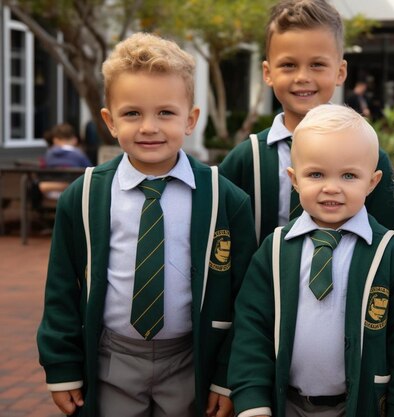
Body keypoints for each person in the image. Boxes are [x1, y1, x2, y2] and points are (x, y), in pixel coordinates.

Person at [36, 32, 257, 417]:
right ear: (110, 121)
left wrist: (226, 376)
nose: (149, 127)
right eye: (133, 113)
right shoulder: (84, 195)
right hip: (113, 357)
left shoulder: (227, 199)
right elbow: (60, 288)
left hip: (191, 358)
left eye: (165, 113)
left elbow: (245, 298)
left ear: (190, 119)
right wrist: (62, 367)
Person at [228, 104, 394, 417]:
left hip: (360, 406)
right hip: (286, 404)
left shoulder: (392, 255)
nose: (331, 188)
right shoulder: (275, 250)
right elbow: (253, 328)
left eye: (349, 175)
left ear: (373, 182)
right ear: (294, 179)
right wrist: (252, 400)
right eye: (316, 174)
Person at [219, 0, 394, 245]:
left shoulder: (367, 157)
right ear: (267, 73)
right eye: (288, 65)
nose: (302, 78)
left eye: (317, 65)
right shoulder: (247, 159)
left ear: (340, 72)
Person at [38, 123, 93, 199]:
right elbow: (90, 169)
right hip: (74, 191)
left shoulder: (49, 154)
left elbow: (42, 168)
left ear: (55, 140)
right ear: (75, 140)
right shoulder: (78, 154)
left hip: (50, 190)